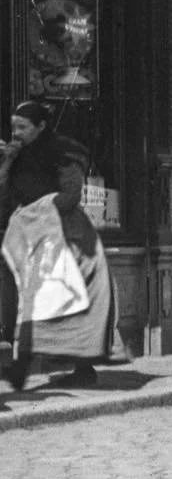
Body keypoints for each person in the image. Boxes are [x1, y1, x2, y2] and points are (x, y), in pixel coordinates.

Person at [0, 101, 113, 390]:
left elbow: (71, 195)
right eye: (13, 126)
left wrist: (37, 211)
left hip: (65, 233)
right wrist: (7, 163)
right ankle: (19, 366)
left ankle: (82, 366)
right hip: (27, 233)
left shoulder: (63, 153)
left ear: (41, 127)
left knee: (66, 296)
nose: (16, 132)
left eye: (23, 127)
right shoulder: (17, 156)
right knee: (26, 298)